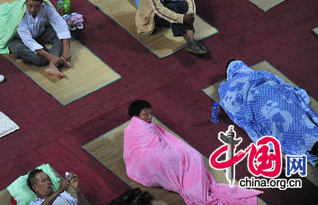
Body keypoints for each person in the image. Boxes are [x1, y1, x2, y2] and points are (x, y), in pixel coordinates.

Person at [124, 100, 262, 205]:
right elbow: (147, 149)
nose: (150, 116)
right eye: (145, 114)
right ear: (136, 116)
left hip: (146, 163)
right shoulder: (140, 128)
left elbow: (136, 150)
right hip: (156, 160)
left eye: (150, 112)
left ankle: (189, 174)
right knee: (192, 157)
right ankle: (193, 185)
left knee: (190, 155)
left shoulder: (132, 128)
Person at [219, 60, 318, 165]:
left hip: (261, 111)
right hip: (277, 99)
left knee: (283, 129)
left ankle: (310, 146)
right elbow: (281, 84)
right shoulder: (257, 74)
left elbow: (233, 112)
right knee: (298, 119)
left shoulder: (225, 90)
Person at [0, 0, 71, 78]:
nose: (32, 9)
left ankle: (53, 65)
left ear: (41, 3)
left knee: (63, 36)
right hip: (19, 39)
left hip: (40, 33)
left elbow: (60, 24)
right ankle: (54, 60)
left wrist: (66, 48)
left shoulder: (46, 8)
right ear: (26, 3)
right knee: (18, 50)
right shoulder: (20, 16)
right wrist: (51, 57)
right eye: (29, 6)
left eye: (36, 6)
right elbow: (28, 40)